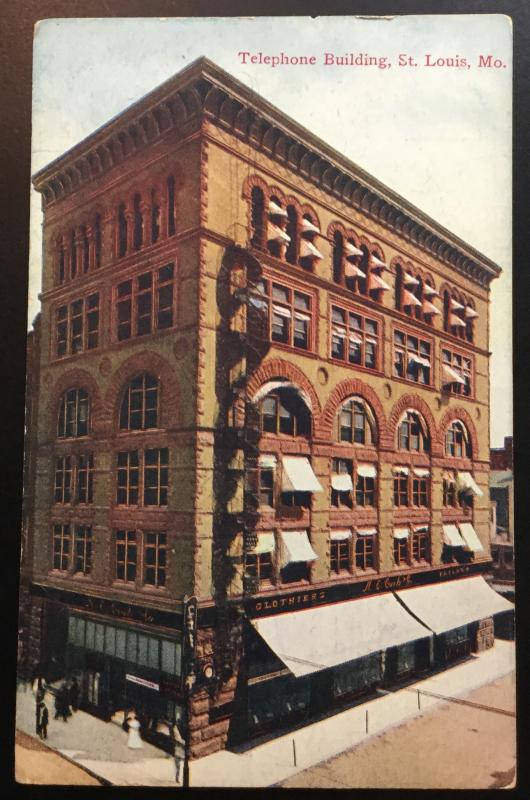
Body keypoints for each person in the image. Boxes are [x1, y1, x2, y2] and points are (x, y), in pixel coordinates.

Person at [172, 716, 186, 784]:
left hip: (180, 753)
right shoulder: (176, 731)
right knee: (178, 767)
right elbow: (178, 740)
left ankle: (178, 778)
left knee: (180, 767)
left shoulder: (178, 731)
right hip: (178, 753)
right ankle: (178, 778)